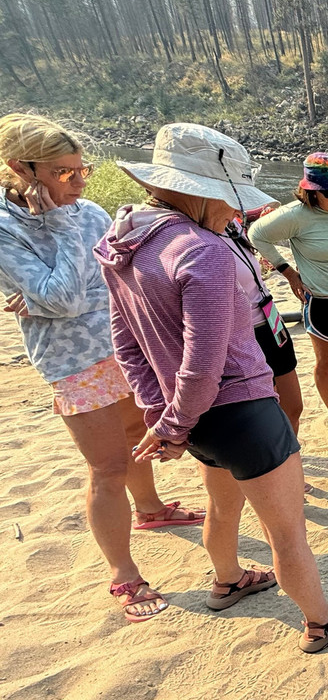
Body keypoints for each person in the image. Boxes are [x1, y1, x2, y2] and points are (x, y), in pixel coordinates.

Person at [98, 123, 328, 652]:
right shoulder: (204, 250)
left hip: (194, 418)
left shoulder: (122, 242)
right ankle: (321, 619)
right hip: (242, 410)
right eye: (230, 199)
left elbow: (126, 345)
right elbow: (205, 361)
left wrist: (166, 418)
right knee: (286, 531)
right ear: (199, 191)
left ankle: (228, 579)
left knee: (223, 506)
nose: (235, 213)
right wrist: (172, 424)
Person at [0, 112, 203, 624]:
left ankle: (151, 510)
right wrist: (57, 232)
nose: (79, 183)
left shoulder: (91, 211)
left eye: (81, 169)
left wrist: (39, 298)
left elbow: (123, 277)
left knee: (137, 434)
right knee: (107, 468)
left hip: (126, 345)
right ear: (21, 169)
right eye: (63, 173)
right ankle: (123, 573)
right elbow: (66, 298)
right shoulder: (7, 227)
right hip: (73, 361)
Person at [250, 152, 328, 438]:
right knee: (327, 364)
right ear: (312, 192)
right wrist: (288, 272)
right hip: (324, 303)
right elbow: (256, 234)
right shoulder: (296, 215)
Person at [225, 220, 304, 437]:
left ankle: (289, 451)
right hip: (239, 332)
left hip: (270, 318)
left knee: (292, 406)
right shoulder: (194, 236)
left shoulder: (232, 225)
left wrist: (288, 273)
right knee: (261, 413)